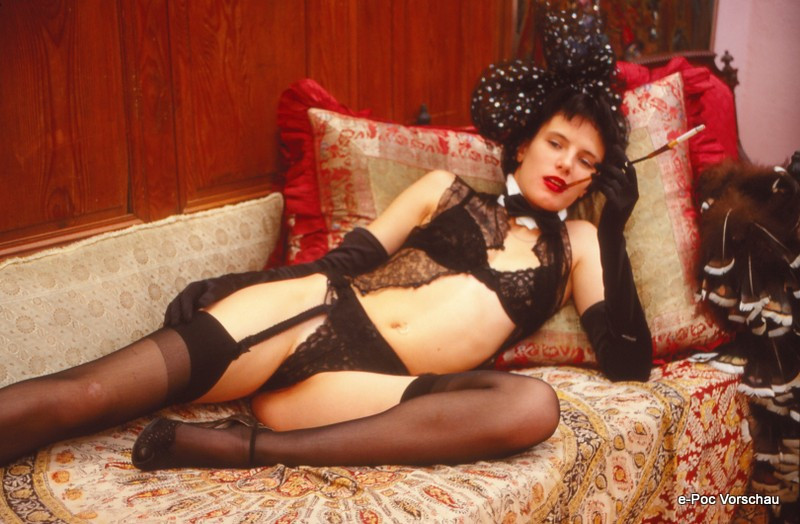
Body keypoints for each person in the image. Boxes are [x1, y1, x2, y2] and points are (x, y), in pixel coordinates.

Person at [0, 10, 651, 469]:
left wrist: (615, 231)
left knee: (531, 407)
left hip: (369, 386)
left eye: (586, 161)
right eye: (556, 143)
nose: (566, 165)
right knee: (88, 393)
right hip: (310, 311)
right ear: (524, 142)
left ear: (597, 178)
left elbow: (628, 362)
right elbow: (344, 262)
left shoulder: (582, 244)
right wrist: (237, 286)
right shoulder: (444, 189)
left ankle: (243, 448)